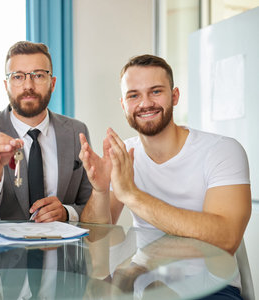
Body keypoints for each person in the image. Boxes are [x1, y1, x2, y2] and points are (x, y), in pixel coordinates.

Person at [79, 55, 251, 299]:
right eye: (134, 95)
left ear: (175, 96)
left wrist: (132, 195)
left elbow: (226, 238)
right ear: (123, 104)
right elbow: (96, 240)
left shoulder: (222, 150)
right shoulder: (124, 154)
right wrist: (100, 190)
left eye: (156, 91)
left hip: (211, 286)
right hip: (142, 285)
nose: (145, 103)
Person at [0, 41, 92, 224]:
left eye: (38, 75)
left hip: (59, 249)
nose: (28, 85)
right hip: (1, 252)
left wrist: (67, 212)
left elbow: (89, 204)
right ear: (6, 84)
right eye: (18, 77)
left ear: (53, 83)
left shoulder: (76, 131)